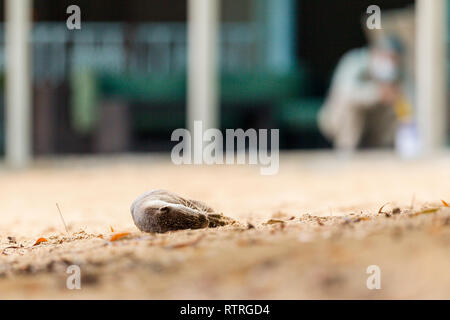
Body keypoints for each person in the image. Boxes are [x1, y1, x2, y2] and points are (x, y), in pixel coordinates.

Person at [318, 36, 410, 151]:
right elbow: (346, 94)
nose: (390, 62)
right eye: (388, 57)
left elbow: (408, 102)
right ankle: (346, 153)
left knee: (401, 109)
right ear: (375, 52)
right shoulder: (354, 62)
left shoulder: (399, 73)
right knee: (350, 106)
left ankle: (386, 152)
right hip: (336, 122)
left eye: (394, 59)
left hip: (374, 128)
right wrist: (377, 93)